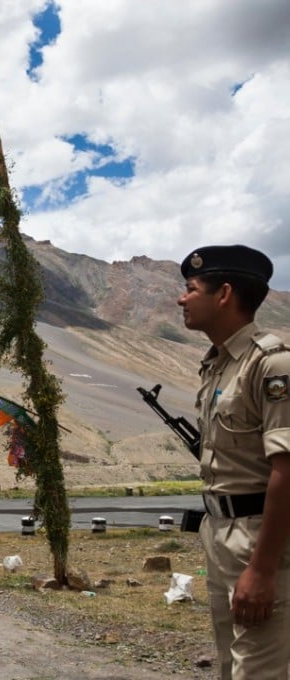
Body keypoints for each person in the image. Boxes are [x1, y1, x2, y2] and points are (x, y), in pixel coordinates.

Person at [178, 244, 290, 679]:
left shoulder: (272, 364)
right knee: (229, 665)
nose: (181, 298)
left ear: (223, 294)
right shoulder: (220, 365)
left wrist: (262, 569)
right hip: (220, 533)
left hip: (261, 539)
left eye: (190, 288)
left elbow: (286, 469)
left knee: (258, 671)